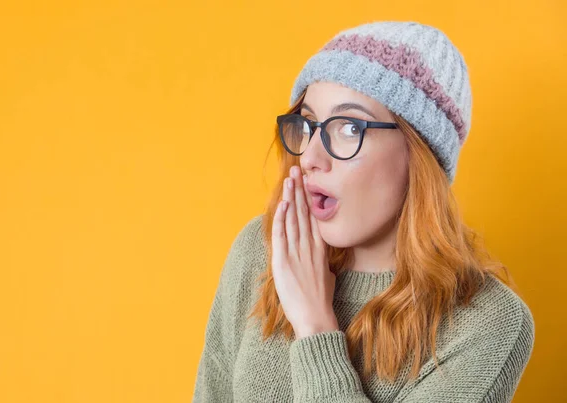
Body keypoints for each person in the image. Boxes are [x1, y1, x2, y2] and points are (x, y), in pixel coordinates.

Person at [192, 21, 535, 403]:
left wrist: (316, 328)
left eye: (350, 128)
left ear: (419, 154)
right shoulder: (264, 250)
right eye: (308, 123)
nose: (309, 158)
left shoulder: (489, 323)